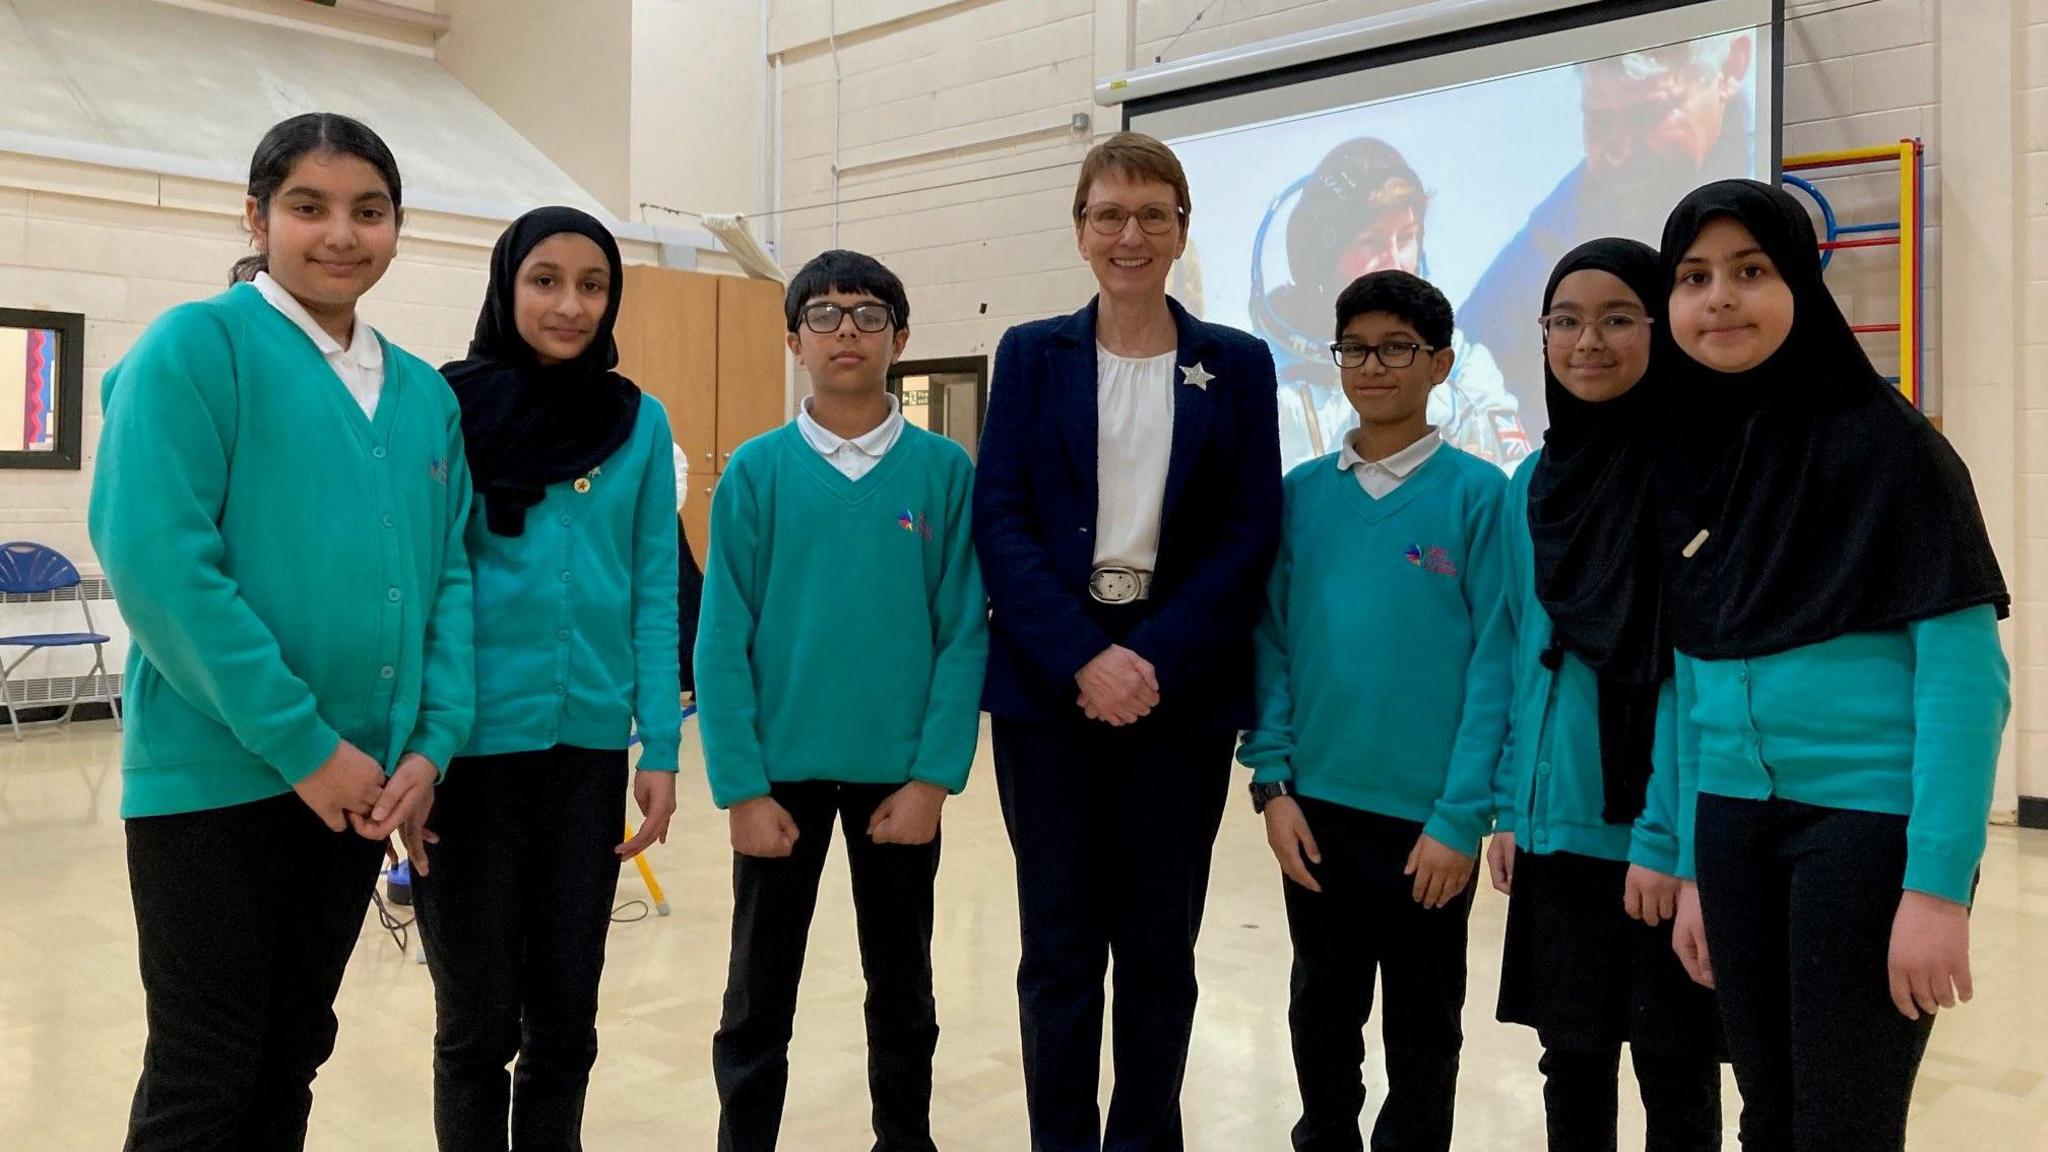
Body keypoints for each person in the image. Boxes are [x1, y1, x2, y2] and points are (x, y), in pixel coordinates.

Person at [88, 112, 472, 1151]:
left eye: (369, 211)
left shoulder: (427, 397)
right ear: (257, 217)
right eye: (309, 207)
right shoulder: (196, 348)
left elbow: (449, 582)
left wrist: (429, 746)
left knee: (293, 1049)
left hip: (359, 790)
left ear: (398, 227)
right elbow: (162, 567)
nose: (340, 234)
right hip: (218, 781)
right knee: (205, 1072)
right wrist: (308, 748)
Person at [1658, 179, 2010, 1149]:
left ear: (1800, 286)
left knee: (1841, 1124)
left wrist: (1936, 886)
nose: (1718, 297)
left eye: (1749, 271)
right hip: (1731, 828)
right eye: (1691, 278)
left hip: (1866, 831)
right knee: (1766, 1113)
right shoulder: (1685, 458)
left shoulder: (1891, 449)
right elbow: (1692, 675)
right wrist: (1691, 870)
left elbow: (1963, 682)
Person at [975, 131, 1281, 1152]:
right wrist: (1081, 657)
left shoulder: (1234, 365)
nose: (1129, 234)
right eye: (1108, 213)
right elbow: (1002, 521)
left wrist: (1151, 660)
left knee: (1158, 954)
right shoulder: (1027, 355)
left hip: (1176, 696)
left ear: (1182, 230)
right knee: (1058, 952)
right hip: (1048, 697)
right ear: (1078, 230)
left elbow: (1248, 533)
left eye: (1153, 214)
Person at [697, 249, 987, 1152]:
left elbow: (962, 634)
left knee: (902, 991)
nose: (846, 331)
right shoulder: (757, 470)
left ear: (901, 337)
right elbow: (721, 639)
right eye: (823, 316)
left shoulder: (945, 473)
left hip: (898, 783)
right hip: (778, 780)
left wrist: (936, 779)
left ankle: (905, 1140)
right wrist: (741, 788)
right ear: (794, 341)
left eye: (868, 315)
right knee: (757, 996)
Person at [415, 206, 682, 1152]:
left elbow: (654, 587)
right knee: (476, 1022)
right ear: (505, 285)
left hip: (587, 753)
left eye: (594, 284)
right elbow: (422, 584)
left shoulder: (638, 421)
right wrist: (413, 745)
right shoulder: (443, 406)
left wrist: (661, 741)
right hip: (466, 752)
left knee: (567, 1016)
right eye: (545, 280)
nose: (571, 304)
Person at [1240, 268, 1510, 1152]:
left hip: (1429, 824)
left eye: (1397, 348)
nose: (1374, 366)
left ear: (1440, 364)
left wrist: (1462, 818)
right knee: (1321, 1008)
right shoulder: (1303, 495)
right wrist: (1272, 784)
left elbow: (1496, 667)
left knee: (1424, 1026)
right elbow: (1272, 644)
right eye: (1356, 348)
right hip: (1317, 809)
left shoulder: (1481, 498)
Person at [1487, 238, 1725, 1151]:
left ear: (1660, 330)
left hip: (1658, 838)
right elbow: (1518, 657)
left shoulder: (1697, 477)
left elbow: (1691, 674)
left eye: (1619, 318)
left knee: (1677, 1065)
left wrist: (1667, 839)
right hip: (1557, 831)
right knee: (1571, 1060)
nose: (1589, 341)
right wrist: (1514, 805)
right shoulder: (1531, 486)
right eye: (1566, 320)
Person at [1461, 34, 1757, 418]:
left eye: (1646, 115)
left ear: (1731, 69)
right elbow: (1465, 361)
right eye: (1598, 122)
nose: (1618, 150)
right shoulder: (1545, 237)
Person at [1250, 137, 1527, 471]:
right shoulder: (1259, 380)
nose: (1395, 262)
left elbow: (1513, 489)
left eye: (1407, 238)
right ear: (1321, 259)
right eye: (1372, 243)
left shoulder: (1461, 370)